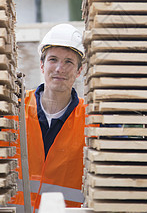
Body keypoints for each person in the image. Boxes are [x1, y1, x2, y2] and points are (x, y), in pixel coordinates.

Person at [6, 23, 87, 212]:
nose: (60, 68)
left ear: (79, 71)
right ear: (42, 65)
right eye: (53, 59)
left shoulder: (89, 119)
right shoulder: (13, 108)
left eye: (69, 62)